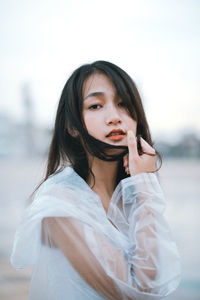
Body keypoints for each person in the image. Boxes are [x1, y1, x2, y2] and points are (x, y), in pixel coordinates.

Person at [10, 60, 181, 300]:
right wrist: (145, 185)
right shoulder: (59, 204)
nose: (114, 117)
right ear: (72, 126)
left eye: (123, 104)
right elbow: (136, 291)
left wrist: (144, 185)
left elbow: (150, 277)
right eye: (96, 106)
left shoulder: (133, 192)